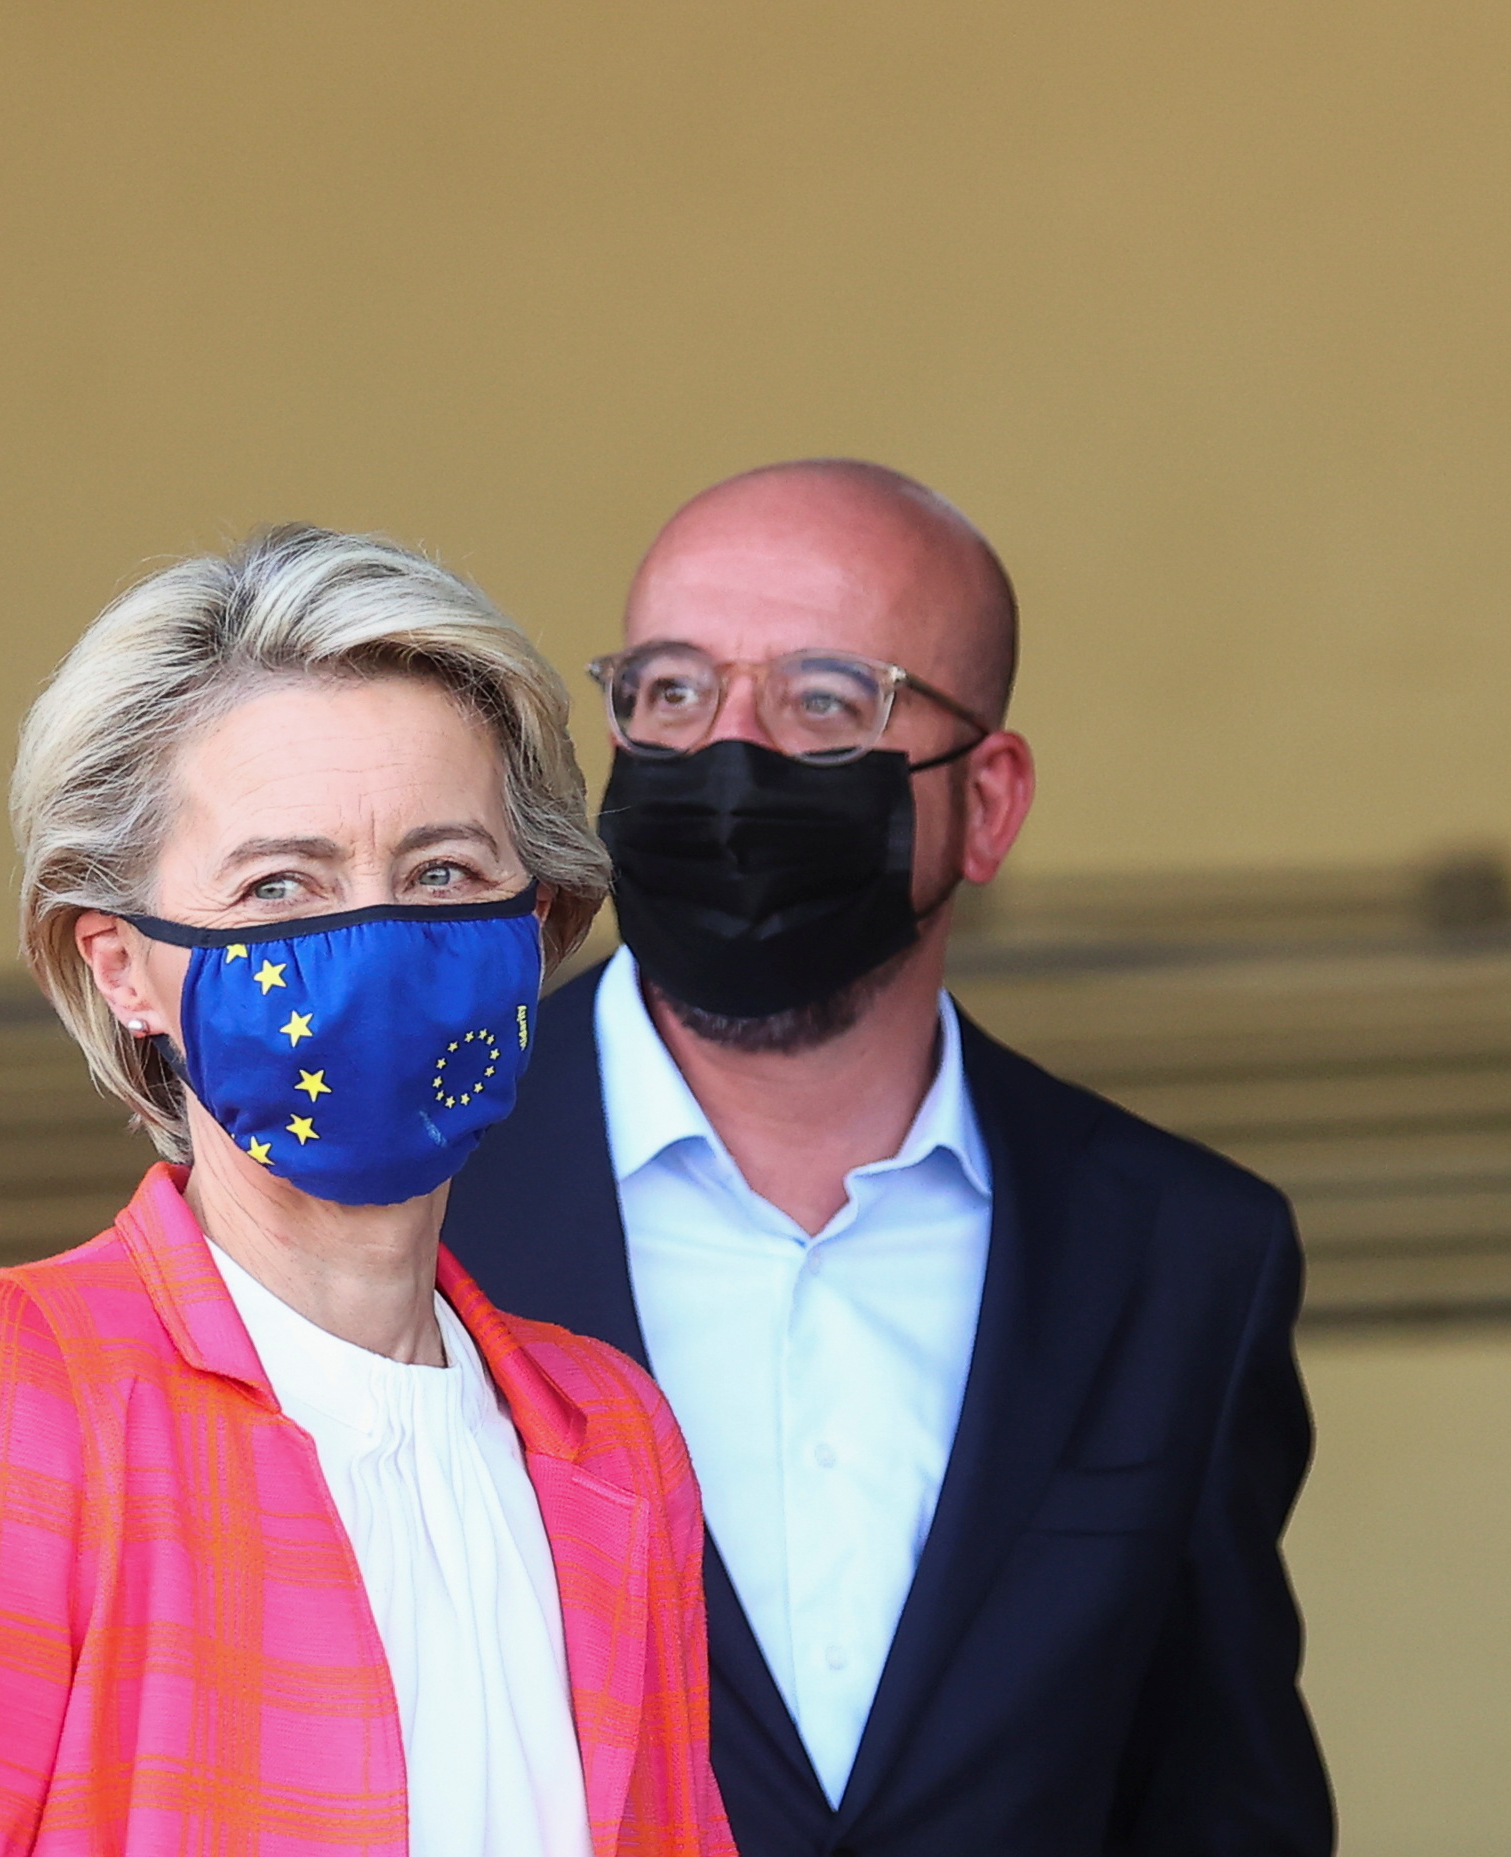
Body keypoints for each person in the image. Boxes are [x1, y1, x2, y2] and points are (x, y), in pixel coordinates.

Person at [0, 526, 737, 1857]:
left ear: (539, 925)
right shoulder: (2, 1393)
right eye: (281, 884)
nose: (371, 935)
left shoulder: (614, 1437)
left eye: (442, 873)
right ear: (121, 965)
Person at [444, 460, 1332, 1855]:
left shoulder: (1181, 1257)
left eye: (824, 700)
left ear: (987, 802)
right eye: (671, 691)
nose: (726, 759)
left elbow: (1224, 1805)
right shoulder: (411, 1188)